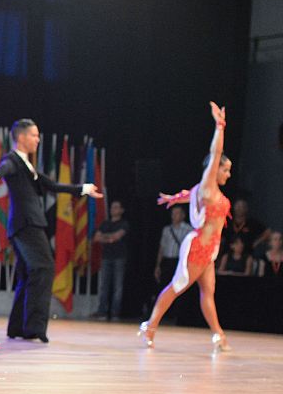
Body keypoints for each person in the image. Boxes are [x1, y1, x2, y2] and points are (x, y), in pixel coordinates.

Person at [0, 121, 102, 342]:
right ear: (21, 138)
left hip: (23, 225)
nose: (38, 139)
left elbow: (52, 186)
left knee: (27, 274)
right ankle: (34, 328)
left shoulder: (27, 166)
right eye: (34, 135)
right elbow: (4, 167)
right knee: (44, 267)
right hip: (27, 224)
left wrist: (83, 189)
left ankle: (18, 327)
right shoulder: (13, 159)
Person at [139, 102, 233, 352]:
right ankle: (150, 326)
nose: (228, 174)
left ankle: (218, 335)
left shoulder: (206, 192)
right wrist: (220, 126)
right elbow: (215, 153)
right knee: (176, 287)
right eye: (226, 169)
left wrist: (173, 198)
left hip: (209, 250)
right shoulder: (208, 186)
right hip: (198, 247)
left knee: (207, 292)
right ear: (215, 170)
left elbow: (186, 195)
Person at [92, 200, 130, 320]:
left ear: (121, 210)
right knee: (104, 285)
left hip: (119, 257)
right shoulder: (105, 223)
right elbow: (97, 238)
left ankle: (115, 313)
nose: (113, 209)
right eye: (112, 207)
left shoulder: (124, 223)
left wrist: (107, 237)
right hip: (106, 257)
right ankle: (102, 312)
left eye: (116, 207)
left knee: (117, 287)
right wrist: (109, 238)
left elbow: (115, 237)